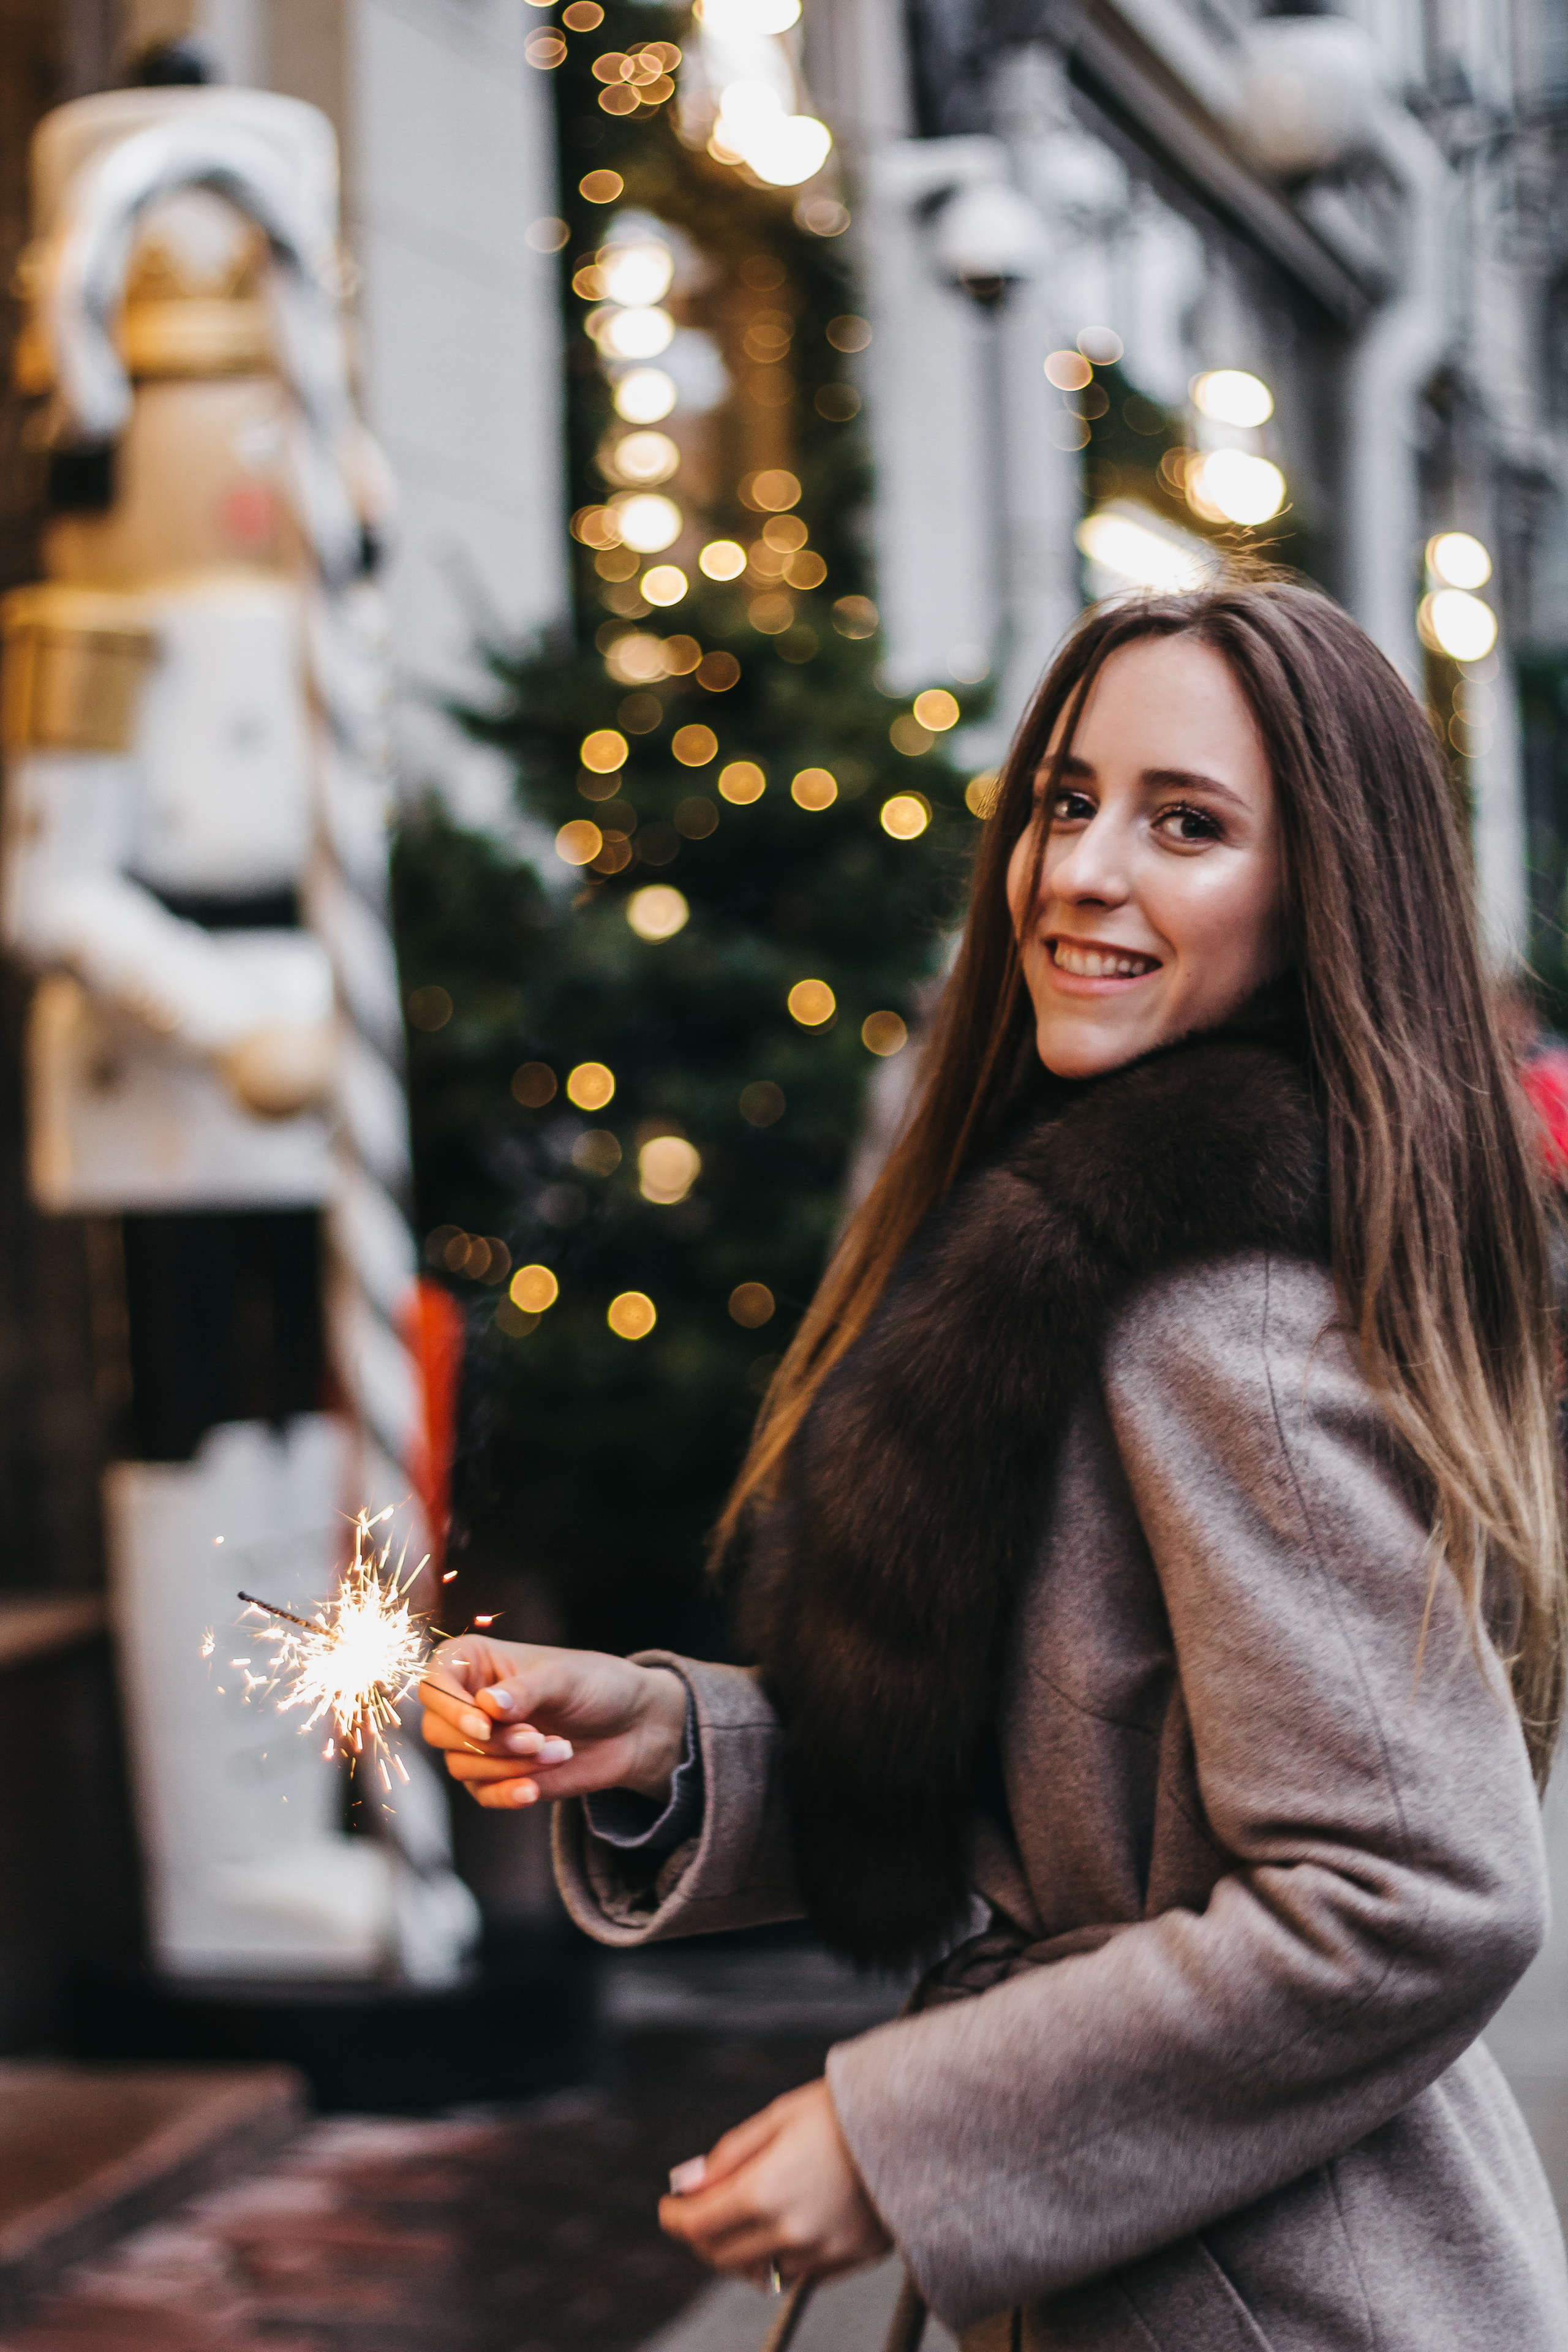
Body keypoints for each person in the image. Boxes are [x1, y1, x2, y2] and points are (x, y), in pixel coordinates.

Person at [420, 581, 1568, 2349]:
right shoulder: (1093, 1252)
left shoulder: (1223, 1327)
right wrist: (674, 1745)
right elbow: (1083, 1789)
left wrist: (899, 2140)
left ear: (1326, 889)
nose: (1081, 870)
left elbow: (1416, 1894)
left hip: (1285, 2296)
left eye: (1185, 823)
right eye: (1064, 799)